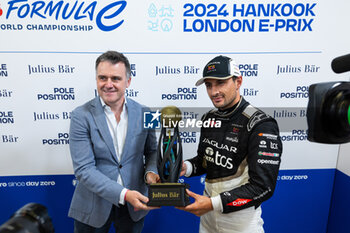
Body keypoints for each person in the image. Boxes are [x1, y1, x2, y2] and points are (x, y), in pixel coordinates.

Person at [178, 55, 283, 233]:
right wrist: (184, 167)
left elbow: (263, 187)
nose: (213, 91)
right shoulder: (209, 118)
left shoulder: (260, 123)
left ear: (238, 81)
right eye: (209, 85)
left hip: (240, 221)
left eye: (220, 83)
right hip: (208, 218)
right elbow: (205, 161)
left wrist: (213, 203)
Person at [68, 51, 160, 233]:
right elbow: (84, 170)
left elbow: (153, 151)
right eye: (103, 78)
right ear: (96, 80)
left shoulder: (147, 112)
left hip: (134, 206)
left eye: (115, 78)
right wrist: (124, 194)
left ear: (128, 81)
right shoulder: (80, 115)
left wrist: (151, 171)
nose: (108, 84)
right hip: (93, 204)